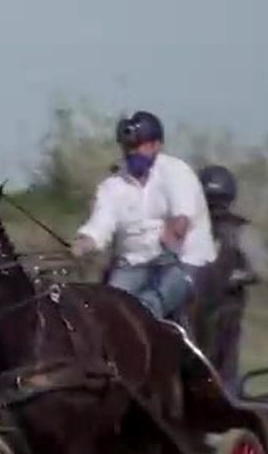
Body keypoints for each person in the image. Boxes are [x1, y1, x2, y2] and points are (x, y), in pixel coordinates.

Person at [69, 110, 217, 323]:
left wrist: (172, 232)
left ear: (156, 145)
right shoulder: (111, 187)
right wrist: (82, 245)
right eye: (128, 147)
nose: (132, 153)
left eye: (139, 146)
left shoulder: (176, 172)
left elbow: (182, 219)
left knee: (147, 305)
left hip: (181, 262)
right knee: (105, 311)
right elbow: (99, 227)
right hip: (133, 265)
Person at [195, 164, 268, 386]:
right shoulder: (194, 226)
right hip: (201, 302)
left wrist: (234, 277)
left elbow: (258, 270)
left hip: (225, 304)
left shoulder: (239, 230)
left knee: (225, 349)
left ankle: (227, 391)